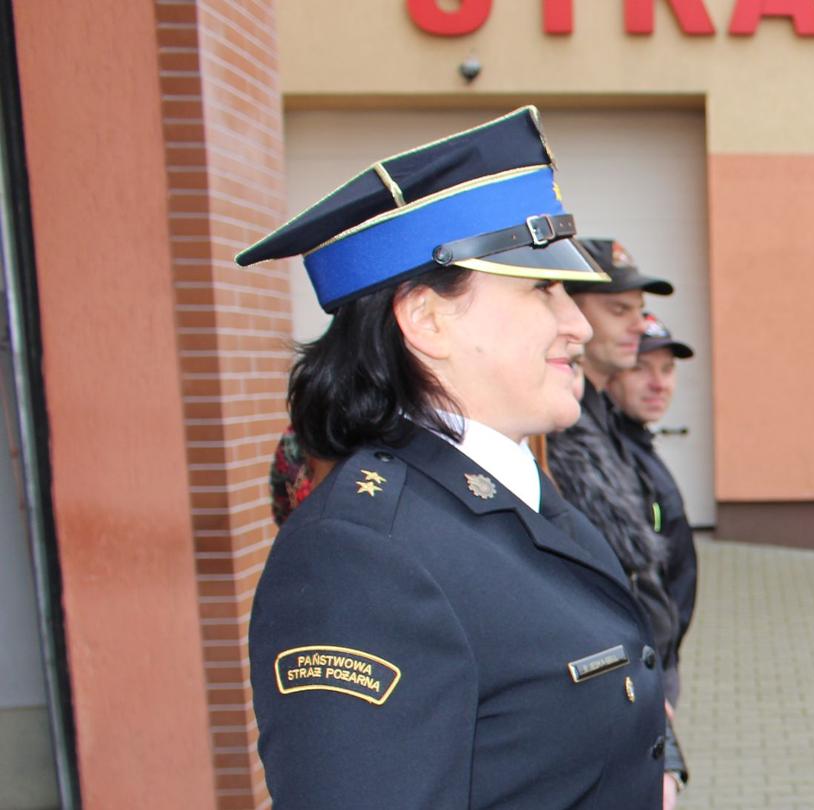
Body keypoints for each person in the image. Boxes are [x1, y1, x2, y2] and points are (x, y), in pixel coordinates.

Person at [238, 107, 674, 808]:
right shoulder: (359, 558)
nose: (577, 324)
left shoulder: (513, 485)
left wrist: (657, 762)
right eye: (542, 288)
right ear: (428, 319)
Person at [543, 238, 692, 790]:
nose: (637, 324)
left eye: (638, 310)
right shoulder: (558, 429)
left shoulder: (600, 418)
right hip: (624, 680)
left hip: (650, 667)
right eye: (618, 309)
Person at [604, 312, 700, 696]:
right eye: (641, 369)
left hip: (661, 656)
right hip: (643, 665)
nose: (659, 384)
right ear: (611, 372)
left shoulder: (637, 446)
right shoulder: (609, 459)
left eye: (667, 369)